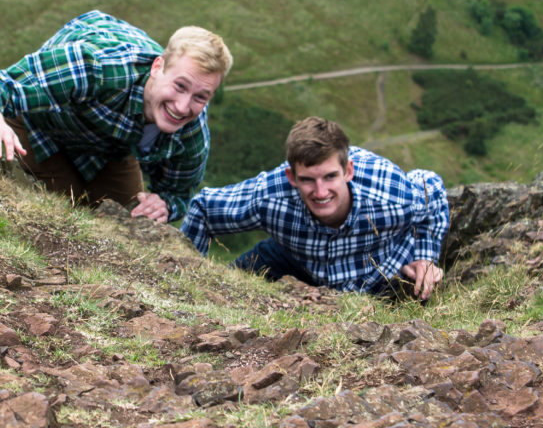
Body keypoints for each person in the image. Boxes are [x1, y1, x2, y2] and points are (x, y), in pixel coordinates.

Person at [0, 10, 232, 223]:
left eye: (200, 97)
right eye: (180, 86)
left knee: (132, 217)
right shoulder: (98, 67)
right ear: (157, 67)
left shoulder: (192, 130)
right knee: (62, 211)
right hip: (42, 125)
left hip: (108, 150)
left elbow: (178, 194)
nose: (183, 107)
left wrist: (165, 205)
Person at [181, 117, 449, 299]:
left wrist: (426, 255)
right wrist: (189, 282)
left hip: (378, 270)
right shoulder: (271, 195)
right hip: (296, 261)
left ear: (348, 171)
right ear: (291, 177)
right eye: (308, 180)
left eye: (330, 177)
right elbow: (204, 209)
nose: (320, 193)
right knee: (220, 291)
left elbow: (432, 187)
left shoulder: (390, 193)